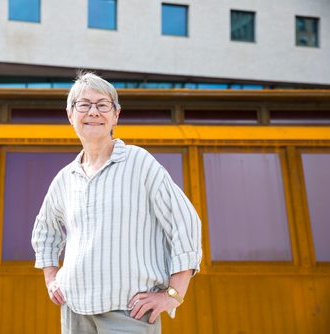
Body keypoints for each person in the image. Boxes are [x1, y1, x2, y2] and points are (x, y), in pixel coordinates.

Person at [31, 72, 202, 334]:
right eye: (84, 104)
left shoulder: (139, 162)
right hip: (75, 311)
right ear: (70, 115)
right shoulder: (66, 178)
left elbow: (185, 222)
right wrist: (52, 278)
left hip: (130, 313)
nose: (94, 112)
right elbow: (45, 231)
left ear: (115, 115)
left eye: (102, 105)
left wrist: (173, 294)